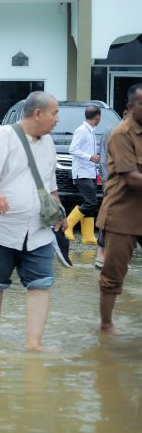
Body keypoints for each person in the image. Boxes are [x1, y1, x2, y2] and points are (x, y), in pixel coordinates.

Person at [0, 91, 65, 350]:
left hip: (38, 229)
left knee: (41, 284)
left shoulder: (48, 143)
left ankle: (33, 344)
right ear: (38, 113)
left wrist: (59, 210)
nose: (58, 119)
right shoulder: (3, 136)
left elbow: (49, 183)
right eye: (54, 113)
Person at [95, 83, 142, 334]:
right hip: (122, 214)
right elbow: (131, 177)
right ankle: (106, 325)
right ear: (130, 107)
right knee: (113, 275)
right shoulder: (120, 133)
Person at [95, 108, 130, 269]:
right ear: (126, 113)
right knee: (108, 217)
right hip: (114, 182)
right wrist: (107, 183)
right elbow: (103, 159)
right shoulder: (112, 132)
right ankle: (101, 251)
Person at [64, 106, 102, 244]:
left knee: (90, 203)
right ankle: (67, 226)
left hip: (91, 172)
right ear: (97, 117)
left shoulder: (91, 131)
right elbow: (72, 149)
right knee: (91, 203)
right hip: (82, 173)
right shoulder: (81, 130)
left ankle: (88, 237)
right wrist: (89, 157)